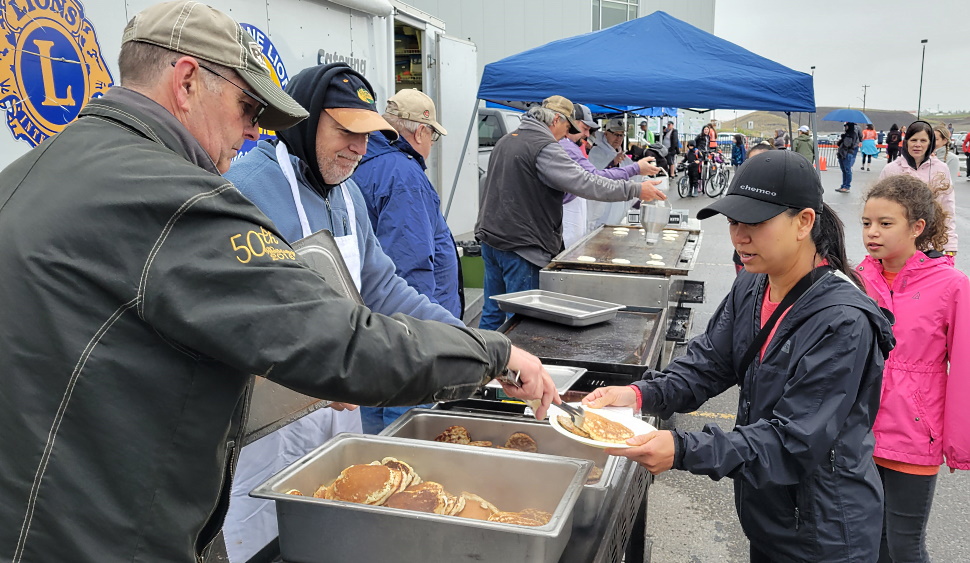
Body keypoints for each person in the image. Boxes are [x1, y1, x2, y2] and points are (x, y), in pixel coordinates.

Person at [0, 3, 560, 562]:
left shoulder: (28, 173)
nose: (253, 128)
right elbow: (333, 340)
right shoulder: (186, 200)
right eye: (248, 106)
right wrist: (492, 354)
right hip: (112, 527)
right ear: (188, 81)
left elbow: (380, 292)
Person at [584, 151, 895, 563]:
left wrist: (681, 448)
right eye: (733, 221)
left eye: (754, 223)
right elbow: (710, 363)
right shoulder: (752, 284)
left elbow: (792, 441)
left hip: (824, 530)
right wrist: (636, 395)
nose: (739, 237)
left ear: (804, 222)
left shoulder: (843, 321)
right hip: (767, 512)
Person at [476, 98, 666, 330]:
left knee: (492, 313)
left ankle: (484, 362)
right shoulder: (544, 147)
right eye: (567, 128)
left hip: (492, 240)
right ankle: (517, 365)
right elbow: (585, 182)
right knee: (521, 322)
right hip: (522, 247)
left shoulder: (507, 140)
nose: (567, 135)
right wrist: (635, 189)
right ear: (556, 119)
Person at [857, 174, 969, 562]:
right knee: (864, 543)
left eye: (886, 224)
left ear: (918, 227)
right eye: (867, 223)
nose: (873, 233)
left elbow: (965, 368)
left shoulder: (951, 285)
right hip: (858, 435)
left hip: (912, 439)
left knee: (904, 546)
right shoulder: (856, 279)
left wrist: (958, 442)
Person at [348, 88, 460, 433]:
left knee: (371, 416)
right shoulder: (405, 176)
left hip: (366, 326)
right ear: (420, 131)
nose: (430, 146)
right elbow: (410, 265)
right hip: (405, 338)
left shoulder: (363, 162)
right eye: (433, 137)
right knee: (405, 431)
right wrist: (423, 338)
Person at [560, 104, 658, 247]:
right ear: (606, 134)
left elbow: (630, 177)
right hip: (596, 207)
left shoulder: (620, 153)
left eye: (621, 135)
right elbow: (595, 177)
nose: (619, 138)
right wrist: (615, 164)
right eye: (616, 135)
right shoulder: (594, 151)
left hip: (613, 205)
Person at [878, 120, 958, 256]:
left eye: (923, 140)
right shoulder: (891, 169)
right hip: (898, 240)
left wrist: (950, 243)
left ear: (930, 143)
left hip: (931, 240)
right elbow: (879, 207)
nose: (918, 145)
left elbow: (947, 207)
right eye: (913, 140)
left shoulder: (941, 169)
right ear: (906, 141)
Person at [730, 142, 773, 274]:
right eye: (751, 162)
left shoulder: (782, 195)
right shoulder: (740, 188)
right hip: (744, 258)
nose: (739, 237)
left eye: (763, 162)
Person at [836, 122, 861, 193]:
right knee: (844, 170)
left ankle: (847, 186)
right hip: (842, 153)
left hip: (847, 153)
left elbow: (847, 144)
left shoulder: (852, 134)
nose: (845, 127)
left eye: (846, 126)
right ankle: (843, 185)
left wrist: (844, 138)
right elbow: (839, 143)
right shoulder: (847, 134)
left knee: (847, 170)